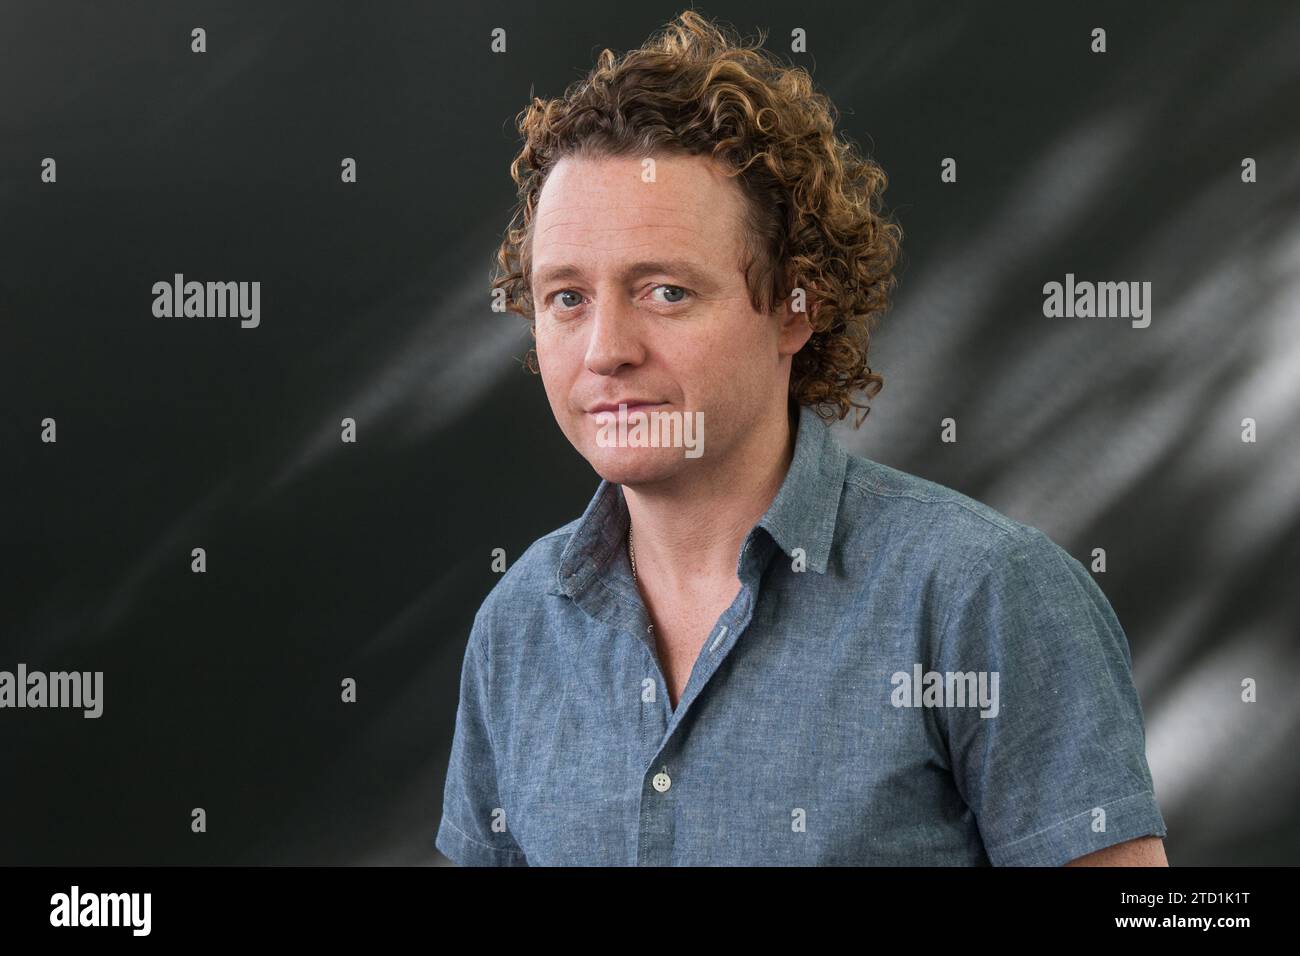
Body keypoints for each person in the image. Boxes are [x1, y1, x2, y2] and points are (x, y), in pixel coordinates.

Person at [435, 10, 1168, 866]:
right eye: (567, 298)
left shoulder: (982, 596)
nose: (606, 351)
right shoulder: (519, 624)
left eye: (665, 291)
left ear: (798, 304)